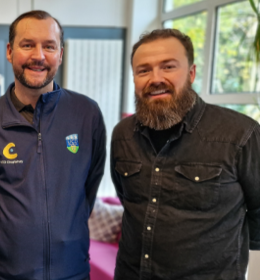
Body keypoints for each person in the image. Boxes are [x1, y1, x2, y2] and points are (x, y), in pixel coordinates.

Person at [0, 10, 106, 280]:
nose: (38, 56)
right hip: (3, 273)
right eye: (27, 44)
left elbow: (89, 185)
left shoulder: (86, 114)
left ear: (60, 54)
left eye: (49, 46)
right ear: (9, 51)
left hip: (72, 272)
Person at [110, 28, 260, 280]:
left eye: (168, 67)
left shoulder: (241, 134)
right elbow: (129, 200)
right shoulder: (123, 134)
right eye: (143, 70)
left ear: (191, 73)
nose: (155, 78)